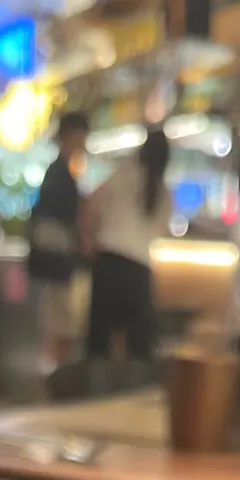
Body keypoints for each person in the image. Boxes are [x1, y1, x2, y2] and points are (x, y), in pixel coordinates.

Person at [81, 127, 170, 362]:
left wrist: (88, 238)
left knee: (99, 343)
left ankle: (97, 384)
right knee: (139, 348)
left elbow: (91, 203)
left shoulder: (123, 174)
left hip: (109, 265)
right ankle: (133, 385)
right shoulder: (164, 193)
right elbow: (162, 233)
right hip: (139, 271)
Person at [28, 110, 89, 370]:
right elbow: (64, 219)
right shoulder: (60, 176)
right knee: (62, 327)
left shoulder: (59, 173)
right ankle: (56, 378)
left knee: (57, 326)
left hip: (54, 265)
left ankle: (54, 376)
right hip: (59, 265)